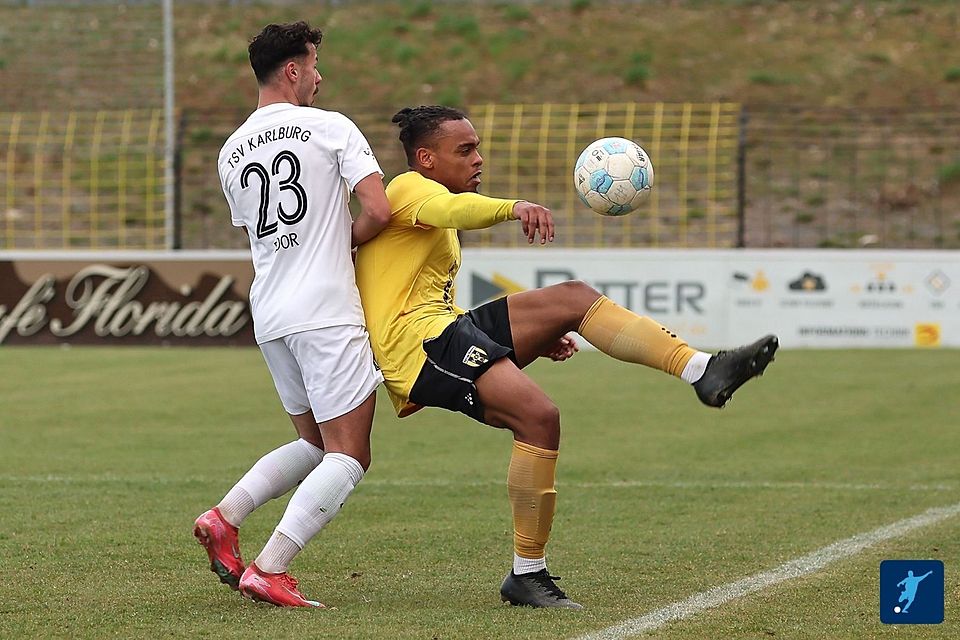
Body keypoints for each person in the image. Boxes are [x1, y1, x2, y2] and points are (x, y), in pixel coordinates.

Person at [354, 105, 778, 609]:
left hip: (443, 329)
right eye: (465, 150)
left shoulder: (429, 207)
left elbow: (429, 298)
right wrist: (513, 207)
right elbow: (455, 214)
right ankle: (527, 574)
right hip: (418, 350)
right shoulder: (408, 190)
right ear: (425, 157)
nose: (478, 158)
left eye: (478, 147)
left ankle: (701, 368)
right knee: (540, 418)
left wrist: (531, 335)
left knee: (573, 299)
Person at [194, 21, 391, 608]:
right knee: (349, 453)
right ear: (292, 71)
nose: (319, 76)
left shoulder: (232, 149)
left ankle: (225, 518)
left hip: (271, 312)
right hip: (326, 310)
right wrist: (344, 242)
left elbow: (264, 232)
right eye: (314, 65)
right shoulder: (331, 127)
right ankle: (271, 567)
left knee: (311, 442)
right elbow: (378, 210)